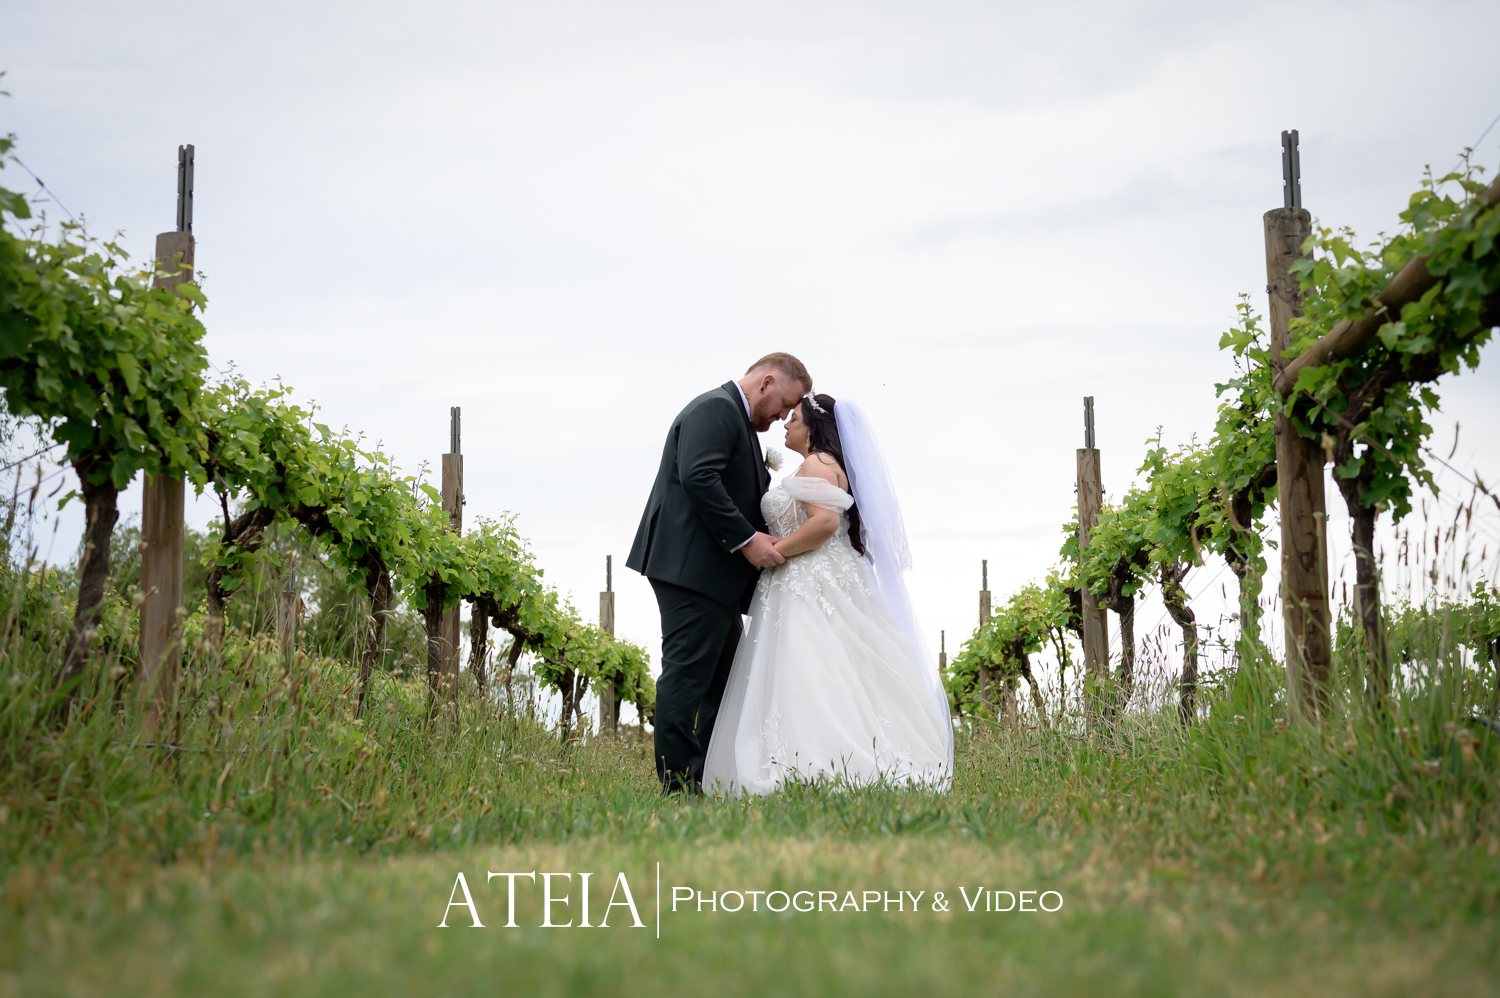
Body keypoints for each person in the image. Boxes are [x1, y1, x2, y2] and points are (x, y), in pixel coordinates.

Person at [702, 392, 953, 795]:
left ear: (813, 428)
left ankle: (819, 761)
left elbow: (824, 523)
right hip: (811, 576)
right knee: (828, 667)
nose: (786, 423)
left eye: (794, 418)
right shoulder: (822, 463)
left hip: (809, 578)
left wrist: (774, 551)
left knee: (811, 666)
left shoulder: (818, 462)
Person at [626, 352, 812, 794]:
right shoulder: (716, 409)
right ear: (766, 382)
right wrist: (747, 540)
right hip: (691, 570)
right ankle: (678, 786)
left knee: (727, 682)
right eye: (785, 404)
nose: (783, 416)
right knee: (687, 675)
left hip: (710, 574)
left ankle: (711, 775)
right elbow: (699, 477)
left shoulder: (734, 417)